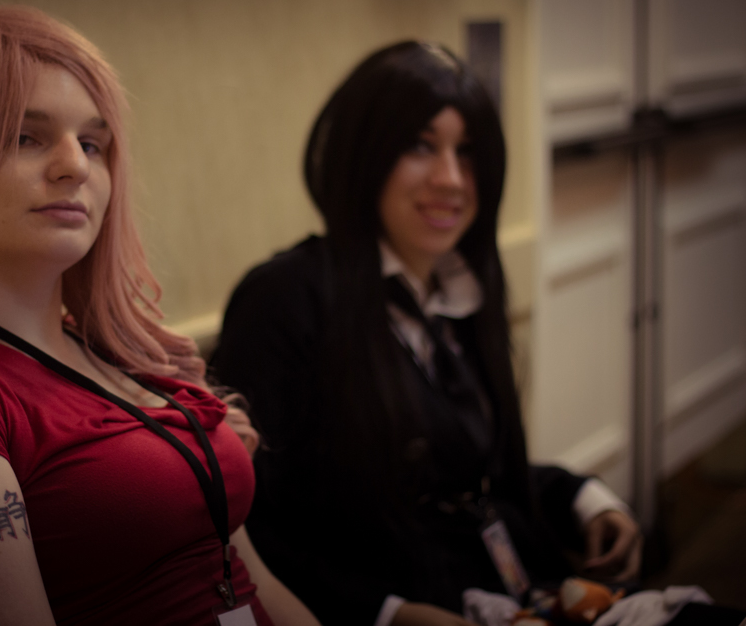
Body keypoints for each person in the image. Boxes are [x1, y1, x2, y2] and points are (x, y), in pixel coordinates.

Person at [0, 7, 320, 626]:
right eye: (25, 137)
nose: (77, 166)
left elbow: (250, 577)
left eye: (92, 143)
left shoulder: (121, 352)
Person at [209, 42, 644, 626]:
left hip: (521, 590)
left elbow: (467, 476)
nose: (451, 180)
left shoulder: (459, 286)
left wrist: (586, 500)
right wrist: (392, 614)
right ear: (363, 154)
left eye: (467, 153)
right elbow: (254, 526)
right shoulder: (284, 299)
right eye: (420, 145)